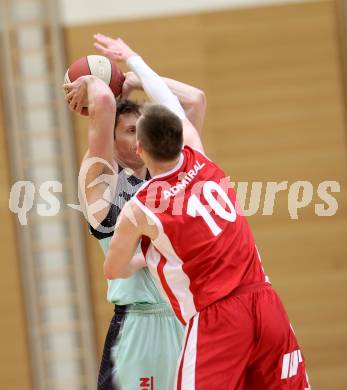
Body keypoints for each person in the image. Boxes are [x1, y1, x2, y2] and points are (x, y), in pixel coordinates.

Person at [95, 36, 311, 390]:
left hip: (218, 317)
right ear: (181, 136)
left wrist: (148, 256)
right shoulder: (201, 157)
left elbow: (113, 268)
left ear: (140, 146)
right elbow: (175, 101)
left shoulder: (141, 207)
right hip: (266, 302)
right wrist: (132, 59)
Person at [63, 60, 206, 389]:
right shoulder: (101, 181)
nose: (141, 134)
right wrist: (95, 83)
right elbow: (102, 104)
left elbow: (195, 100)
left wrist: (135, 79)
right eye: (130, 130)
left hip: (185, 319)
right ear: (110, 144)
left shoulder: (169, 178)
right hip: (139, 326)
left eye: (142, 127)